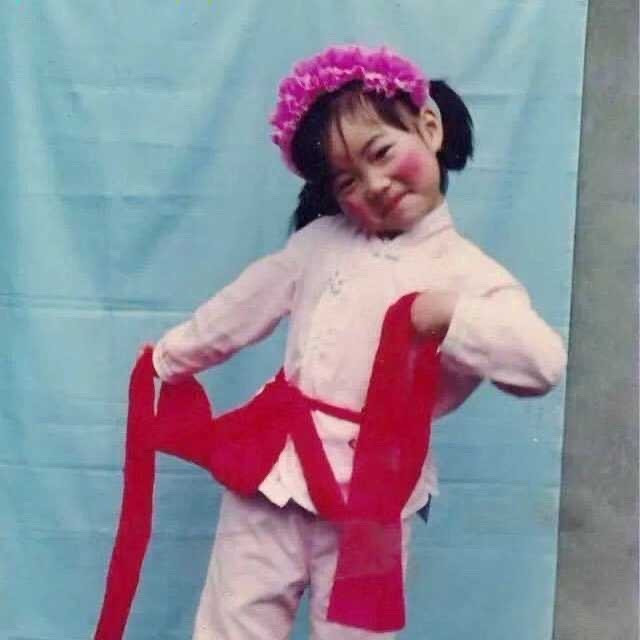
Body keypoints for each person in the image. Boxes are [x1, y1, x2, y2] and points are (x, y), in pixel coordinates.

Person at [149, 45, 567, 640]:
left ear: (429, 127)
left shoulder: (469, 275)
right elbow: (240, 306)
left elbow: (541, 365)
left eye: (382, 153)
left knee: (356, 632)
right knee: (232, 623)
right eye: (347, 179)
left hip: (375, 498)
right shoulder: (318, 243)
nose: (374, 185)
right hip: (275, 473)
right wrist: (168, 358)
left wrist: (448, 315)